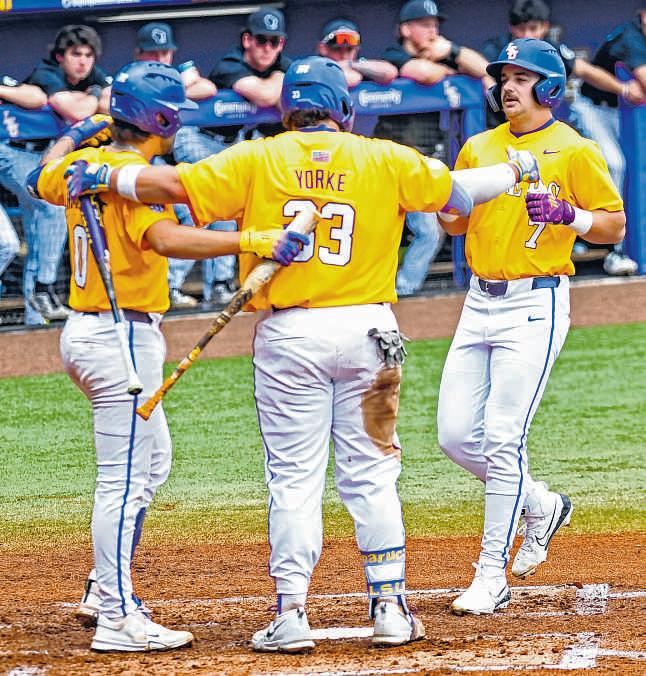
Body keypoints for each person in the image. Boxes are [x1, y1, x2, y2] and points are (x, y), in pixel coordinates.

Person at [63, 55, 541, 651]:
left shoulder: (256, 156)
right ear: (343, 108)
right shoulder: (384, 156)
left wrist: (108, 177)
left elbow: (177, 186)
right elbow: (460, 193)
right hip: (372, 335)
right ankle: (390, 608)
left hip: (289, 338)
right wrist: (517, 168)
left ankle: (291, 615)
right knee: (373, 474)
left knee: (293, 479)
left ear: (287, 108)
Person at [27, 60, 307, 651]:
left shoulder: (83, 166)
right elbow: (165, 239)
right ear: (161, 120)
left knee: (151, 465)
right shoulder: (133, 178)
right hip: (119, 340)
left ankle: (103, 589)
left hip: (93, 334)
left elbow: (39, 177)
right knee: (123, 481)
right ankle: (116, 618)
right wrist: (252, 240)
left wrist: (81, 131)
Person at [436, 39, 626, 616]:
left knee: (501, 438)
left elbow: (614, 226)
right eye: (504, 78)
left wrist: (571, 215)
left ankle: (490, 574)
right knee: (454, 436)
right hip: (478, 302)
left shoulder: (574, 149)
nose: (508, 87)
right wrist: (448, 197)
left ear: (549, 87)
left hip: (534, 305)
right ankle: (541, 505)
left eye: (522, 77)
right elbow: (453, 222)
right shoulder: (479, 146)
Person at [482, 0, 644, 276]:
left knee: (593, 171)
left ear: (545, 27)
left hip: (552, 131)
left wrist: (623, 89)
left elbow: (584, 70)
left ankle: (608, 249)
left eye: (533, 28)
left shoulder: (551, 50)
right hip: (503, 134)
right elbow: (481, 72)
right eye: (521, 29)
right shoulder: (500, 49)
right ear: (511, 28)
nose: (527, 35)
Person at [375, 0, 495, 297]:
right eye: (425, 25)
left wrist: (452, 51)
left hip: (423, 162)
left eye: (435, 25)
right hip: (390, 162)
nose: (433, 31)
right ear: (406, 29)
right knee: (378, 229)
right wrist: (449, 70)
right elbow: (423, 74)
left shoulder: (442, 53)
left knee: (430, 231)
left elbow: (484, 69)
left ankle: (403, 290)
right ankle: (375, 287)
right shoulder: (393, 54)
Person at [0, 25, 110, 325]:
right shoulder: (47, 73)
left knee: (40, 222)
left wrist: (94, 94)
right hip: (11, 149)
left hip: (38, 152)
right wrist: (92, 95)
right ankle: (43, 287)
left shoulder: (93, 75)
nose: (83, 62)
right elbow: (79, 111)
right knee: (50, 204)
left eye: (88, 55)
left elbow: (109, 100)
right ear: (61, 57)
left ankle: (37, 313)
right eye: (76, 54)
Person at [134, 20, 220, 309]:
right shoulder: (130, 76)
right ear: (139, 54)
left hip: (160, 161)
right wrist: (174, 89)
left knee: (193, 214)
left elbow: (207, 88)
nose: (160, 59)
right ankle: (157, 287)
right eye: (153, 53)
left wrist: (168, 90)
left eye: (165, 53)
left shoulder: (176, 72)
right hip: (134, 161)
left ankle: (168, 285)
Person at [570, 8, 646, 276]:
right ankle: (616, 251)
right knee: (614, 164)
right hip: (594, 108)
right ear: (643, 15)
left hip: (626, 115)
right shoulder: (631, 36)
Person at [316, 18, 397, 87]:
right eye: (337, 49)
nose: (344, 55)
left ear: (357, 49)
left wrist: (351, 65)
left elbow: (390, 72)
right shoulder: (315, 66)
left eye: (349, 49)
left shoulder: (357, 66)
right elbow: (351, 78)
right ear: (323, 48)